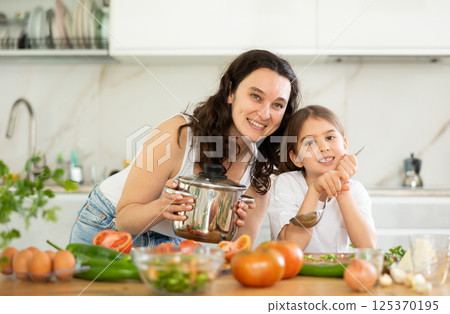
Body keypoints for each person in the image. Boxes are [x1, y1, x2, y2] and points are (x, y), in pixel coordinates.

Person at [70, 49, 300, 247]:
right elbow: (124, 218)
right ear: (230, 92)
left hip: (173, 241)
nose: (265, 113)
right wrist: (161, 207)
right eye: (255, 96)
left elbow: (240, 248)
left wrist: (229, 224)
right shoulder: (177, 134)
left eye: (278, 104)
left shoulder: (260, 169)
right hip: (108, 224)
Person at [267, 105, 376, 253]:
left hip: (337, 274)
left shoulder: (356, 190)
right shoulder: (286, 183)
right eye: (310, 142)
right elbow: (293, 246)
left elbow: (367, 246)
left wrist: (342, 188)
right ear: (296, 158)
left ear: (344, 145)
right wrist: (314, 190)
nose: (323, 147)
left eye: (330, 137)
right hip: (294, 274)